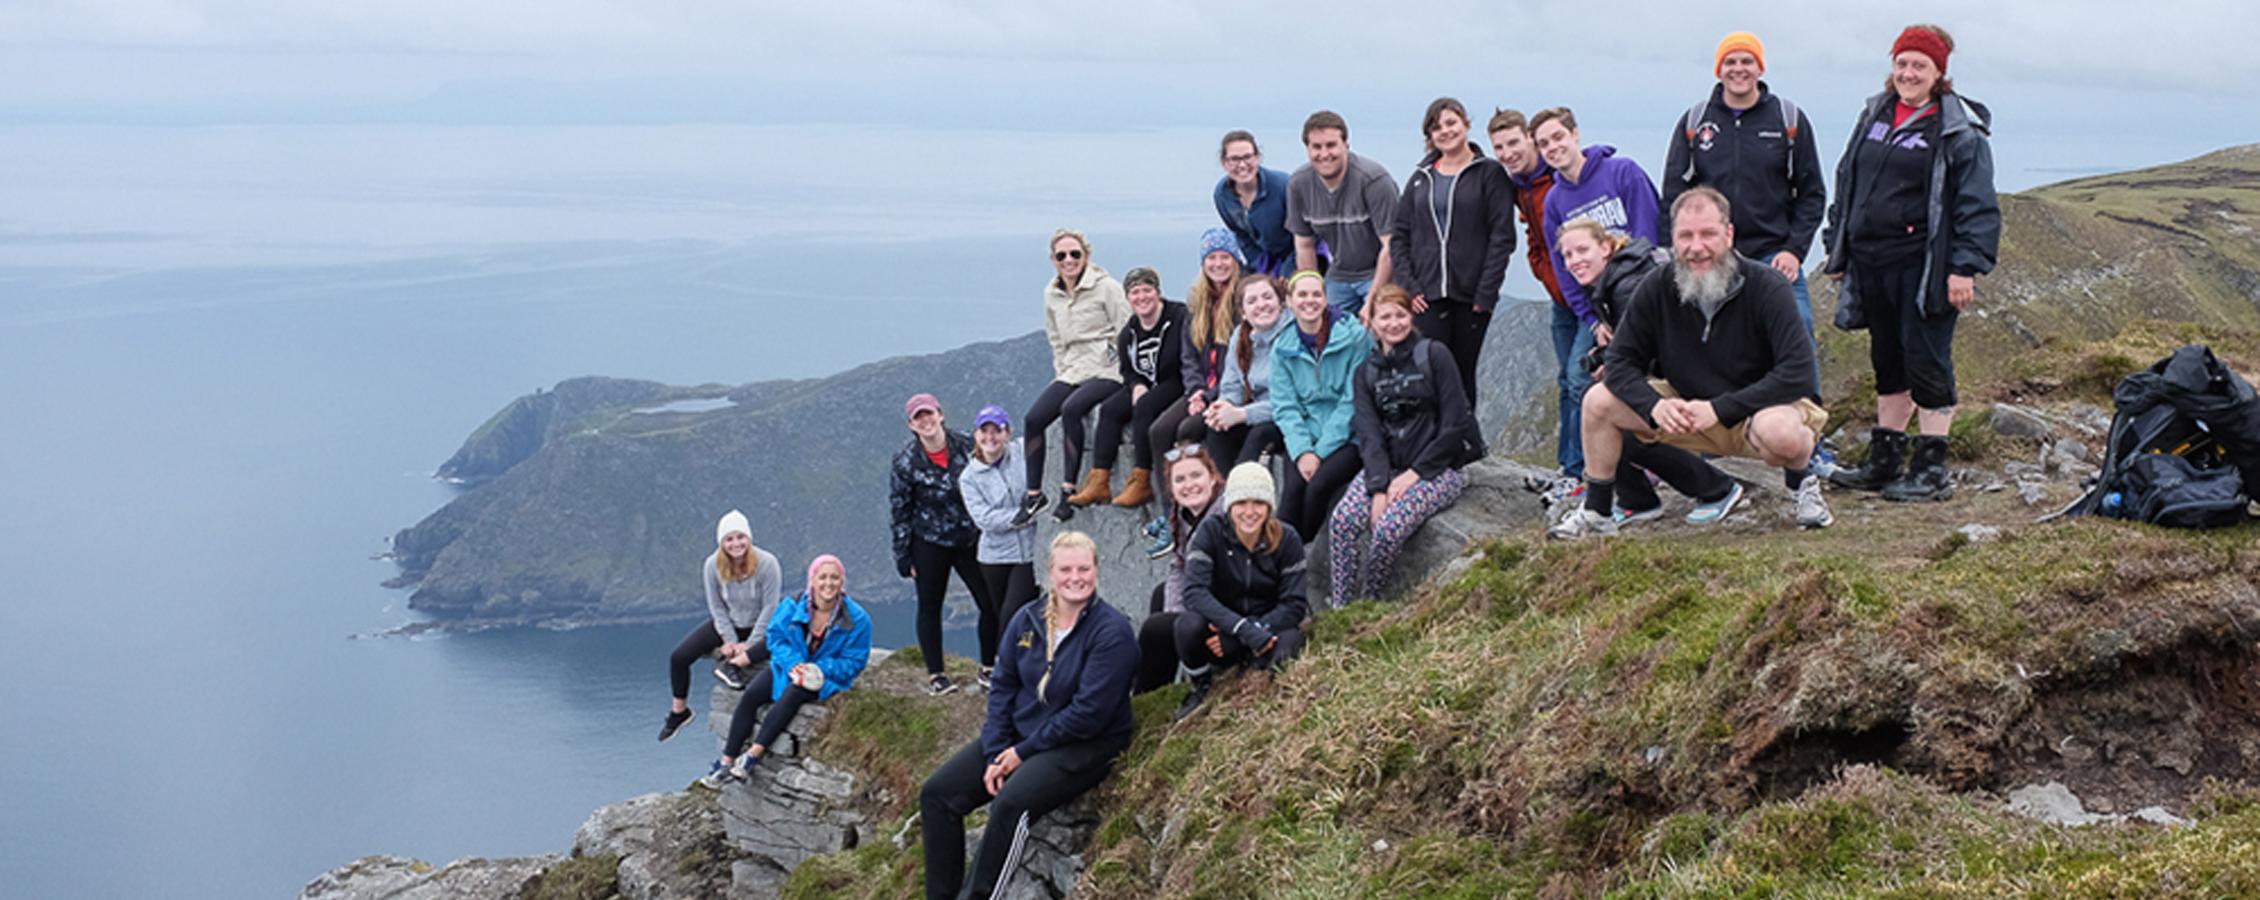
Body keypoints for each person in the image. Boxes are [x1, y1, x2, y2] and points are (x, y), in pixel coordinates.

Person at [1552, 188, 1833, 539]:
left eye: (1708, 234)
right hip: (1687, 407)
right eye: (1685, 236)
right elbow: (1621, 361)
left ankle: (1801, 481)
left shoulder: (1767, 286)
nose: (1696, 247)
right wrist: (1654, 406)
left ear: (1728, 235)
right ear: (1672, 239)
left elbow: (1798, 373)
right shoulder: (1657, 286)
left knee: (1783, 434)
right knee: (1598, 400)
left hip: (1758, 410)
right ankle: (1596, 511)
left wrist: (1719, 409)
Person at [1823, 24, 1999, 503]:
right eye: (1901, 63)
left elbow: (1976, 205)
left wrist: (1964, 267)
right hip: (1870, 261)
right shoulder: (1875, 114)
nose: (1908, 72)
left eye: (1919, 65)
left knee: (1926, 360)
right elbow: (1848, 179)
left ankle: (1931, 467)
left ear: (1939, 72)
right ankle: (1884, 461)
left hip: (1925, 267)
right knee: (1888, 359)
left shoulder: (1957, 130)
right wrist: (1836, 244)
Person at [919, 532, 1138, 900]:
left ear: (1096, 571)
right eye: (1065, 569)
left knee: (1011, 804)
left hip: (1084, 744)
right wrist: (994, 752)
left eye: (1084, 568)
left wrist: (1020, 754)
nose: (1075, 577)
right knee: (938, 794)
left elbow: (1088, 714)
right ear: (1051, 573)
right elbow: (1002, 688)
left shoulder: (1111, 632)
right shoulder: (1027, 620)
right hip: (1024, 735)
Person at [1662, 31, 1829, 406]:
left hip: (1773, 253)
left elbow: (1812, 192)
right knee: (1703, 339)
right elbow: (1673, 194)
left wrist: (1795, 250)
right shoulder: (1695, 122)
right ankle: (1706, 435)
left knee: (1796, 329)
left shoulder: (1788, 119)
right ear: (1719, 69)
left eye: (1746, 61)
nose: (1738, 69)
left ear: (1760, 67)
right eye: (1730, 62)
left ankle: (1807, 434)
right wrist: (1679, 250)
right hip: (1712, 255)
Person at [1555, 218, 1742, 523]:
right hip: (1690, 370)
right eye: (1567, 255)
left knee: (1609, 413)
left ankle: (1715, 489)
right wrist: (1613, 357)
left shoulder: (1627, 285)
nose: (1574, 261)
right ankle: (1637, 500)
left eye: (1581, 250)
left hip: (1704, 379)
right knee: (1606, 405)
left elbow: (1656, 344)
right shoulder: (1618, 276)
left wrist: (1616, 362)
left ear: (1605, 248)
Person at [1534, 107, 1663, 506]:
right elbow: (1564, 267)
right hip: (1601, 307)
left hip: (1642, 294)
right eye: (1543, 143)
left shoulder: (1622, 172)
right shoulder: (1555, 200)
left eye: (1558, 137)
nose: (1553, 147)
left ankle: (1661, 458)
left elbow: (1649, 233)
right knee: (1584, 380)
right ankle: (1590, 472)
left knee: (1652, 373)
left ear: (1575, 135)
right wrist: (1593, 321)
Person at [1329, 285, 1475, 602]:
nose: (1393, 323)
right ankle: (1342, 607)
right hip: (1389, 468)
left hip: (1439, 469)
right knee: (1343, 522)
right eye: (1385, 317)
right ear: (1372, 322)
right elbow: (1369, 434)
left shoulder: (1433, 355)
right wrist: (1379, 486)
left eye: (1400, 315)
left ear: (1411, 315)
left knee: (1388, 529)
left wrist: (1414, 475)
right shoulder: (1365, 372)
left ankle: (1370, 601)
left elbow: (1456, 423)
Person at [699, 555, 873, 787]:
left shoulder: (858, 619)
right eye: (822, 577)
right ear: (812, 580)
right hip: (789, 667)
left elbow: (855, 660)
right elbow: (775, 638)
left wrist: (816, 670)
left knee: (793, 694)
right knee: (751, 695)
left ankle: (751, 757)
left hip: (824, 677)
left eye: (834, 578)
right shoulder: (792, 606)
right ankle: (726, 762)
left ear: (842, 582)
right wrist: (794, 665)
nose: (828, 583)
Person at [1388, 97, 1517, 407]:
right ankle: (1433, 444)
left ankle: (1465, 446)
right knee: (1429, 370)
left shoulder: (1488, 172)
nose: (1445, 131)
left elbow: (1502, 237)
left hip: (1472, 295)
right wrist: (1409, 285)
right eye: (1436, 127)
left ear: (1465, 124)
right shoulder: (1421, 177)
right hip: (1427, 295)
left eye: (1450, 123)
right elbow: (1399, 236)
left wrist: (1486, 292)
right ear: (1429, 136)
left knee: (1462, 371)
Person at [1175, 462, 1310, 719]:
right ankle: (1201, 685)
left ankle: (1265, 695)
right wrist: (1239, 628)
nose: (1249, 512)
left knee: (1290, 643)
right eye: (1241, 503)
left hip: (1264, 628)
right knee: (1186, 626)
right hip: (1224, 626)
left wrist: (1251, 632)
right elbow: (1193, 592)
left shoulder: (1288, 538)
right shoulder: (1211, 530)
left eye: (1258, 503)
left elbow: (1294, 604)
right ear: (1229, 506)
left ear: (1269, 507)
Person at [1489, 107, 1580, 481]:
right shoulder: (1521, 186)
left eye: (1514, 143)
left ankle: (1587, 472)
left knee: (1579, 378)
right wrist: (1545, 275)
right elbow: (1535, 237)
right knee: (1565, 380)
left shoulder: (1557, 177)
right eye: (1500, 148)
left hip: (1587, 296)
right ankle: (1570, 468)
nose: (1508, 153)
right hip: (1561, 297)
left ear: (1530, 140)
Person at [1018, 229, 1134, 523]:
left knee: (1072, 409)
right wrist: (1062, 369)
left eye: (1074, 254)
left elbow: (1125, 328)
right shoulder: (1051, 293)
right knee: (1033, 420)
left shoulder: (1106, 287)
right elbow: (1055, 337)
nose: (1068, 260)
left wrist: (1116, 363)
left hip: (1106, 369)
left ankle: (1067, 490)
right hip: (1072, 368)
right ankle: (1034, 495)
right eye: (1061, 256)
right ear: (1053, 261)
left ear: (1086, 256)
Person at [1142, 229, 1243, 557]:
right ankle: (1170, 510)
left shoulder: (1241, 299)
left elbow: (1238, 359)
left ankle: (1202, 507)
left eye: (1224, 257)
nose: (1218, 264)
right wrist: (1196, 390)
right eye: (1211, 258)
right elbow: (1189, 355)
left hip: (1229, 390)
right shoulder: (1197, 301)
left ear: (1234, 260)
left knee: (1188, 430)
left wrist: (1209, 396)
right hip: (1200, 388)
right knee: (1159, 430)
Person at [891, 393, 990, 696]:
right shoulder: (906, 461)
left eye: (929, 414)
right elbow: (900, 508)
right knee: (929, 606)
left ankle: (990, 667)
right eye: (918, 417)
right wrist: (903, 555)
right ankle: (936, 675)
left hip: (970, 537)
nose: (926, 421)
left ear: (941, 414)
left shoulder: (967, 445)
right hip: (929, 541)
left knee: (989, 602)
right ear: (911, 425)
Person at [660, 510, 782, 742]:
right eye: (729, 539)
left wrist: (750, 645)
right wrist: (729, 640)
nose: (735, 543)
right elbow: (716, 606)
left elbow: (770, 608)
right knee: (679, 657)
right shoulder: (711, 565)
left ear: (749, 537)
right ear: (721, 542)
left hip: (760, 625)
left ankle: (734, 665)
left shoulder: (767, 563)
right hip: (729, 623)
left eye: (740, 537)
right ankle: (679, 711)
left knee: (767, 656)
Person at [1271, 269, 1372, 542]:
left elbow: (1352, 401)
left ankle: (1298, 552)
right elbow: (1285, 407)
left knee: (1318, 486)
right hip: (1306, 435)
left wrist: (1319, 452)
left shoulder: (1354, 338)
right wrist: (1303, 450)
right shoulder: (1282, 347)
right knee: (1291, 491)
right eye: (1302, 294)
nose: (1310, 301)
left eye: (1316, 294)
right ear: (1289, 302)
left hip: (1348, 437)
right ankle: (1277, 562)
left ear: (1326, 299)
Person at [1285, 110, 1399, 319]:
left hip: (1378, 272)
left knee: (1377, 327)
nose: (1324, 154)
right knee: (1321, 326)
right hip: (1339, 274)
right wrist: (1313, 293)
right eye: (1316, 147)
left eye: (1331, 145)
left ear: (1345, 145)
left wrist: (1372, 301)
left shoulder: (1373, 180)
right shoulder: (1298, 184)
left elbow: (1391, 246)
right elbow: (1304, 246)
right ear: (1307, 149)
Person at [958, 404, 1041, 692]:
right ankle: (1004, 668)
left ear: (1008, 433)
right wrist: (1022, 516)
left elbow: (1043, 437)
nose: (991, 437)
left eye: (997, 430)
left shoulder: (1021, 452)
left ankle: (1008, 672)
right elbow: (983, 519)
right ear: (975, 434)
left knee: (1013, 612)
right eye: (985, 430)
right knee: (996, 613)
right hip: (993, 556)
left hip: (1030, 552)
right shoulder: (969, 477)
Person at [1135, 444, 1225, 694]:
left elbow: (1229, 580)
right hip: (1205, 600)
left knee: (1154, 629)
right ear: (1172, 489)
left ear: (1212, 476)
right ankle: (1169, 684)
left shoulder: (1223, 516)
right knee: (1161, 595)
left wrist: (1178, 621)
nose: (1189, 485)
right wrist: (1174, 614)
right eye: (1180, 479)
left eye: (1196, 475)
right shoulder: (1184, 515)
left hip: (1225, 617)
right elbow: (1179, 567)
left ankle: (1143, 696)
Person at [1110, 266, 1190, 510]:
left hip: (1179, 380)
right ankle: (1099, 478)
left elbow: (1186, 357)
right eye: (1135, 292)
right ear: (1127, 298)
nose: (1142, 297)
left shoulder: (1180, 315)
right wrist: (1136, 384)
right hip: (1149, 384)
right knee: (1109, 410)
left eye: (1147, 290)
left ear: (1158, 292)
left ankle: (1142, 474)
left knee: (1146, 409)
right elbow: (1127, 368)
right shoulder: (1129, 332)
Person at [1204, 275, 1291, 468]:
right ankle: (1223, 494)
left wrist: (1242, 414)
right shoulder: (1240, 335)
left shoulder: (1294, 335)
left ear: (1280, 302)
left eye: (1267, 297)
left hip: (1288, 417)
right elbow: (1232, 384)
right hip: (1255, 409)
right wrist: (1223, 406)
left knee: (1259, 434)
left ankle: (1242, 491)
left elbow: (1291, 401)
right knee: (1216, 430)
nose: (1261, 305)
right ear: (1243, 313)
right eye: (1252, 301)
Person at [1212, 131, 1295, 276]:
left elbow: (1308, 234)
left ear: (1257, 158)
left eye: (1247, 157)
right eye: (1234, 159)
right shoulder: (1222, 195)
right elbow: (1242, 236)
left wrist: (1286, 272)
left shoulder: (1283, 185)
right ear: (1224, 163)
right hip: (1267, 261)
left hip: (1299, 255)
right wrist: (1260, 269)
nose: (1242, 165)